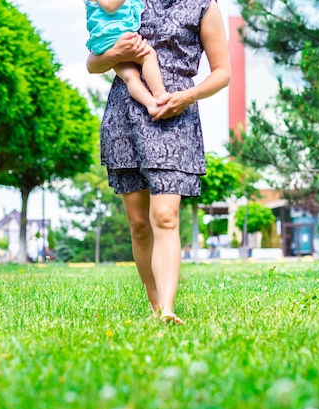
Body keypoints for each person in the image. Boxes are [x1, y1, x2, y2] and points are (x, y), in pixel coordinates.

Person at [87, 0, 230, 324]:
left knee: (165, 216)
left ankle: (168, 307)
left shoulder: (203, 6)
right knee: (139, 225)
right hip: (126, 114)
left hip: (175, 114)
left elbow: (223, 73)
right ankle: (155, 309)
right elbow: (92, 63)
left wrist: (186, 97)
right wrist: (113, 55)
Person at [85, 0, 170, 116]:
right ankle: (160, 94)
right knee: (148, 55)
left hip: (106, 41)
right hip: (114, 35)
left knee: (130, 76)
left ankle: (151, 104)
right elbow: (109, 6)